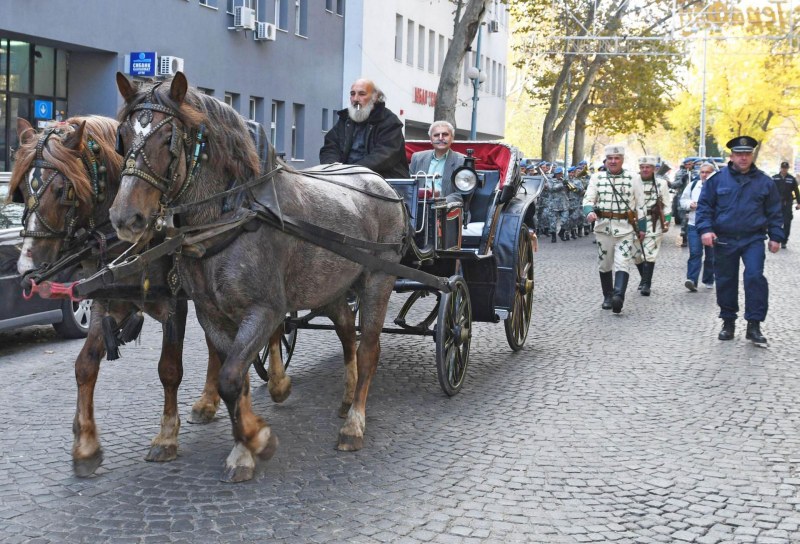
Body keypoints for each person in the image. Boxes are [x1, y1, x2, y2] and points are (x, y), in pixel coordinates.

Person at [695, 136, 784, 344]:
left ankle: (754, 325)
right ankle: (728, 321)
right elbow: (705, 208)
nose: (743, 158)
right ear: (732, 156)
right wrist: (706, 230)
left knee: (754, 277)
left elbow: (774, 212)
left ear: (752, 156)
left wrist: (776, 237)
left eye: (747, 154)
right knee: (726, 280)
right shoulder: (717, 181)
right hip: (724, 239)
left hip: (753, 238)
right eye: (739, 154)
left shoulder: (765, 182)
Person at [583, 144, 647, 313]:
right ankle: (607, 296)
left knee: (623, 262)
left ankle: (618, 297)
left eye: (616, 158)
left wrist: (642, 228)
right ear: (606, 160)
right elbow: (588, 199)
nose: (613, 161)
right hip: (603, 228)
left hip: (625, 229)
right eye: (610, 158)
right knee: (604, 264)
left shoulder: (633, 178)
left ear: (622, 160)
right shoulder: (597, 178)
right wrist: (589, 211)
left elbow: (641, 205)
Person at [320, 78, 409, 178]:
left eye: (362, 94)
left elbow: (384, 156)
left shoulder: (389, 121)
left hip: (383, 182)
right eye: (352, 94)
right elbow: (330, 148)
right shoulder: (344, 120)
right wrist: (332, 167)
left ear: (375, 97)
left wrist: (351, 171)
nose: (355, 99)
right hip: (345, 179)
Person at [633, 155, 671, 296]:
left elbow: (667, 205)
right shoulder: (632, 182)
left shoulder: (661, 184)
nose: (645, 170)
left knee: (650, 254)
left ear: (654, 168)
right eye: (642, 167)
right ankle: (644, 278)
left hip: (653, 221)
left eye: (648, 167)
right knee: (635, 254)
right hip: (635, 221)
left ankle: (646, 284)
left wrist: (666, 221)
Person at [681, 162, 716, 291]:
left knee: (711, 255)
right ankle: (692, 280)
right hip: (694, 224)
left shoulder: (717, 187)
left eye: (707, 172)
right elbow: (683, 200)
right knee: (695, 253)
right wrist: (691, 204)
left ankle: (708, 279)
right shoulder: (693, 185)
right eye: (702, 172)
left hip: (712, 226)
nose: (705, 175)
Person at [409, 120, 465, 197]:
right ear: (431, 139)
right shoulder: (417, 158)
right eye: (436, 135)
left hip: (447, 207)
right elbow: (408, 185)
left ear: (452, 138)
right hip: (418, 204)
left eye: (445, 134)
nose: (441, 138)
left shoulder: (462, 161)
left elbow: (463, 194)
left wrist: (441, 202)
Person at [771, 161, 800, 248]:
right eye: (783, 168)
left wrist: (799, 202)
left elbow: (796, 191)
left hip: (787, 204)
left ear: (787, 169)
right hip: (776, 204)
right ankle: (775, 239)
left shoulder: (791, 179)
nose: (784, 170)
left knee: (787, 223)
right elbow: (769, 191)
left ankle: (784, 241)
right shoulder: (774, 178)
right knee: (776, 222)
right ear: (780, 168)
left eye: (786, 168)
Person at [547, 166, 570, 242]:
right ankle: (553, 236)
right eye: (558, 174)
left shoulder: (565, 181)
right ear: (555, 174)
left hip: (564, 204)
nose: (560, 175)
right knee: (552, 222)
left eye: (561, 174)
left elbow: (570, 191)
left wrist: (568, 186)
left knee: (566, 220)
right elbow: (551, 189)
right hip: (553, 205)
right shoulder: (550, 181)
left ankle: (561, 232)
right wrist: (561, 184)